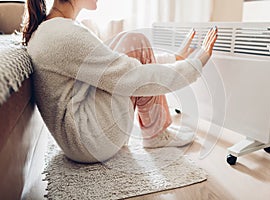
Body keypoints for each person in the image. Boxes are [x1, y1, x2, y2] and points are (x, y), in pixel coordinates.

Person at [23, 0, 218, 163]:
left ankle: (155, 131)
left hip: (79, 139)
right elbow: (132, 77)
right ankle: (156, 133)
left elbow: (112, 64)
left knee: (130, 43)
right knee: (134, 43)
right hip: (93, 141)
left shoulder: (53, 28)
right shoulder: (64, 34)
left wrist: (173, 60)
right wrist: (195, 65)